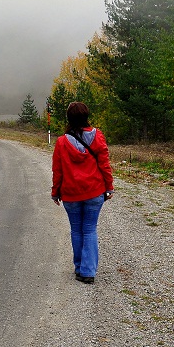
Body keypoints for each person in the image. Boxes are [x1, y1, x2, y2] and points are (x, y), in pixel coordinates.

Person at [51, 101, 114, 284]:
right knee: (89, 229)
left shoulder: (62, 142)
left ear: (69, 118)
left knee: (76, 230)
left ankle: (79, 268)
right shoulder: (98, 136)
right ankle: (88, 271)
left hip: (71, 194)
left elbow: (58, 170)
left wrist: (55, 192)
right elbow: (104, 164)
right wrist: (109, 186)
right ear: (86, 116)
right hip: (94, 192)